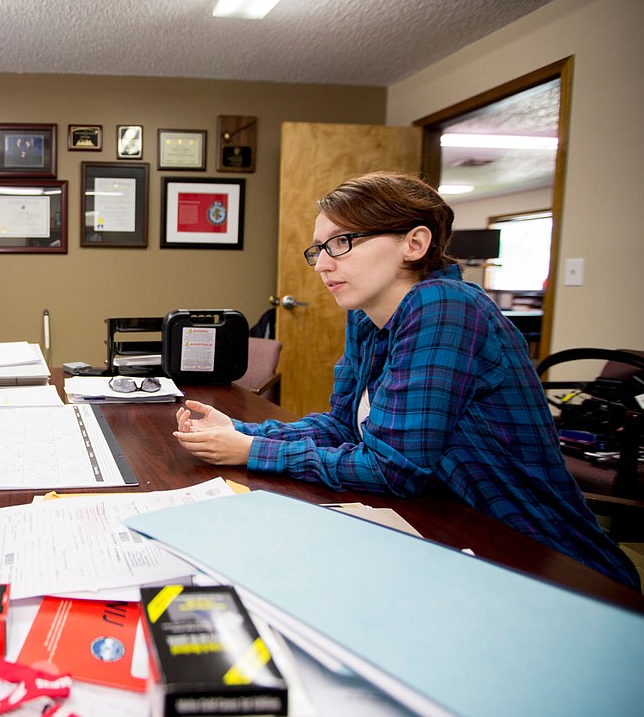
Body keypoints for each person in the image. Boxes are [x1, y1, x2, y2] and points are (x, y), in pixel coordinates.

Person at [174, 171, 640, 590]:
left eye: (341, 243)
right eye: (318, 249)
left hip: (543, 560)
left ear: (414, 244)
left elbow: (392, 468)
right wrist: (239, 431)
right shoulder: (366, 317)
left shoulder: (445, 306)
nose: (321, 264)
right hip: (452, 533)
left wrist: (252, 450)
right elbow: (342, 428)